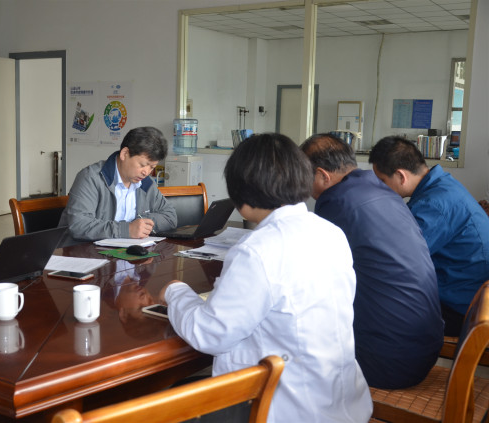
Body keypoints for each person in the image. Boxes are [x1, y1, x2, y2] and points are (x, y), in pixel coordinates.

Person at [160, 133, 372, 422]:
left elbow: (210, 334)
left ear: (242, 191)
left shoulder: (258, 250)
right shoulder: (330, 232)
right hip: (341, 400)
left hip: (284, 408)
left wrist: (175, 292)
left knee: (163, 406)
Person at [300, 134, 443, 389]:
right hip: (424, 346)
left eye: (304, 178)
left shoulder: (336, 201)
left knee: (291, 343)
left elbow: (313, 275)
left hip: (388, 361)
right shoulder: (384, 191)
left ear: (322, 176)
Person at [369, 136, 489, 336]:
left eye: (382, 181)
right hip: (466, 291)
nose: (380, 188)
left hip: (460, 308)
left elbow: (396, 259)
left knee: (373, 306)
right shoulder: (441, 185)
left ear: (401, 176)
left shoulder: (433, 205)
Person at [58, 126, 177, 246]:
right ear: (124, 154)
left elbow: (170, 217)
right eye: (142, 165)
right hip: (79, 252)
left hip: (122, 253)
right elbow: (79, 225)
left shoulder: (147, 184)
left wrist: (141, 223)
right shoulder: (91, 178)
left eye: (152, 167)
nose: (146, 172)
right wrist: (126, 229)